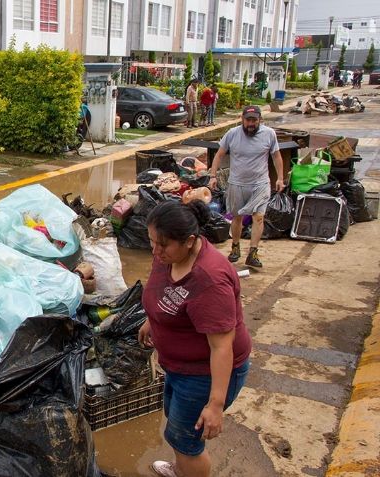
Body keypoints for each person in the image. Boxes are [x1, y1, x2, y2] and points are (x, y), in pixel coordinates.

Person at [139, 200, 252, 477]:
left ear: (190, 241)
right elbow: (163, 292)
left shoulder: (209, 280)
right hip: (178, 368)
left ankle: (187, 468)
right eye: (152, 241)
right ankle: (181, 470)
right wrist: (151, 321)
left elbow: (221, 346)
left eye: (162, 244)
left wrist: (215, 404)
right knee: (177, 426)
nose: (155, 250)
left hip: (204, 375)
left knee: (185, 440)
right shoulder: (169, 255)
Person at [207, 105, 285, 268]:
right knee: (237, 217)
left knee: (258, 217)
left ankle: (253, 252)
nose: (251, 123)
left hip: (260, 183)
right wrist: (213, 176)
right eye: (248, 120)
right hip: (237, 184)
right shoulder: (232, 134)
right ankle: (235, 247)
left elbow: (276, 156)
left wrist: (280, 178)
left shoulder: (269, 134)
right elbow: (219, 155)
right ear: (242, 119)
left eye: (254, 120)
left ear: (260, 120)